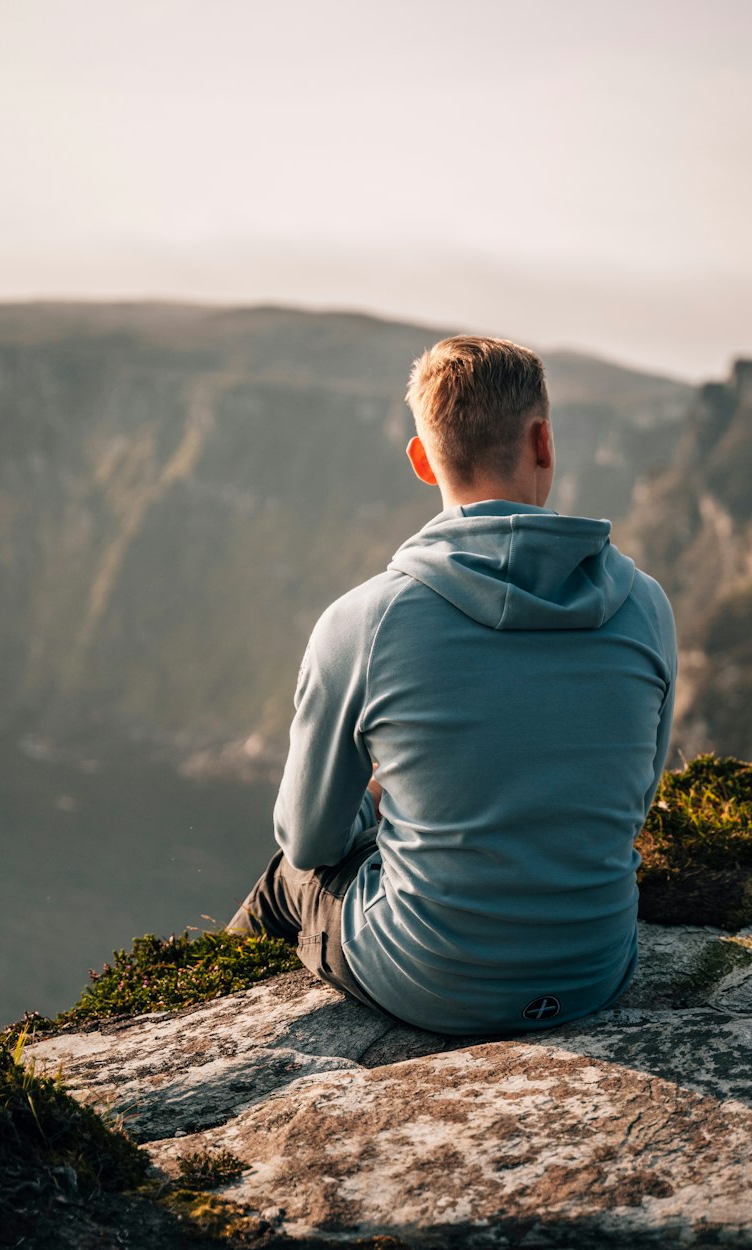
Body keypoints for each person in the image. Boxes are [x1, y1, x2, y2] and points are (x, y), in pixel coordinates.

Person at [228, 335, 677, 1034]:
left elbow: (309, 842)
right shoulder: (645, 605)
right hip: (595, 972)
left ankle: (209, 1007)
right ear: (544, 442)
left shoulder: (364, 621)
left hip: (430, 982)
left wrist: (378, 810)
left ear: (420, 459)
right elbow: (633, 804)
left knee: (284, 882)